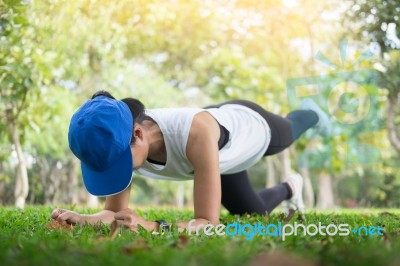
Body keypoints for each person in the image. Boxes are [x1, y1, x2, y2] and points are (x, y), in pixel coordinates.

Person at [51, 90, 331, 232]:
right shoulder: (118, 140)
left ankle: (312, 111)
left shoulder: (195, 134)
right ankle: (291, 188)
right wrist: (82, 218)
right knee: (253, 215)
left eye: (118, 164)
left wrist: (153, 226)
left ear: (138, 134)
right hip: (213, 156)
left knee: (292, 127)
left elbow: (208, 224)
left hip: (252, 129)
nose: (116, 172)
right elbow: (113, 212)